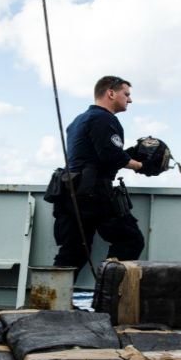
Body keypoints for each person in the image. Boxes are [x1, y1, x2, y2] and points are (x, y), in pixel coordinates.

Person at [49, 76, 145, 277]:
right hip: (93, 194)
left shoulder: (78, 121)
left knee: (72, 253)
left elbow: (93, 154)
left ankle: (53, 305)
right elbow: (111, 155)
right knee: (130, 239)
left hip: (70, 193)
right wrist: (139, 165)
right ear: (111, 93)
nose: (130, 100)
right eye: (126, 94)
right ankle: (107, 297)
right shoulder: (104, 118)